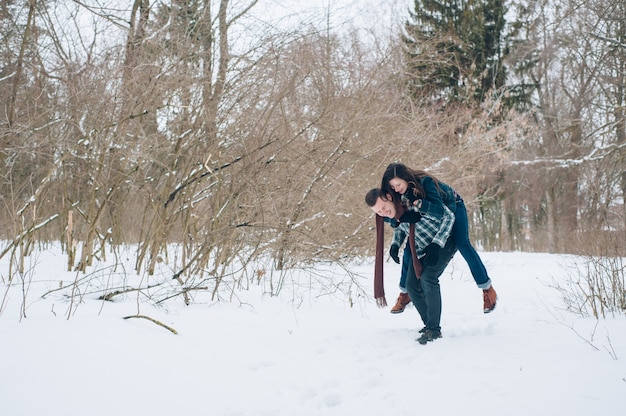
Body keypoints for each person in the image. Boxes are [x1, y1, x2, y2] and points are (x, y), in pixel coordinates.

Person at [380, 162, 498, 314]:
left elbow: (439, 212)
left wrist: (418, 203)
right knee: (409, 248)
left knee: (463, 244)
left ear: (406, 178)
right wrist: (396, 242)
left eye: (398, 184)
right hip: (431, 218)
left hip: (453, 208)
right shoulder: (398, 194)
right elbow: (397, 220)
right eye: (393, 187)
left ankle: (487, 289)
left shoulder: (426, 182)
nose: (396, 189)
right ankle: (405, 294)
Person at [365, 188, 457, 345]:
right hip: (424, 249)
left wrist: (438, 243)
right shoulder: (396, 214)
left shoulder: (412, 202)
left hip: (445, 242)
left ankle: (434, 330)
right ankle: (429, 324)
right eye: (379, 211)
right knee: (411, 286)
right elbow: (402, 228)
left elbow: (448, 216)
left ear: (389, 197)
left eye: (384, 207)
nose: (383, 212)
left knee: (428, 278)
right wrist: (395, 245)